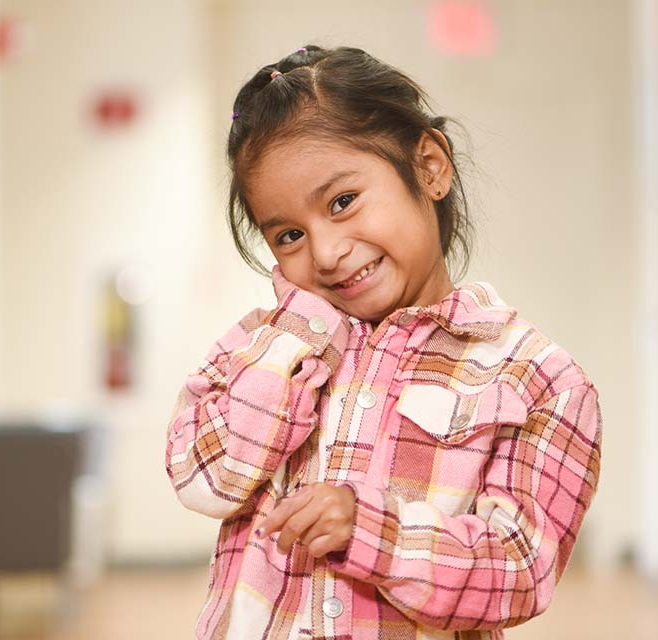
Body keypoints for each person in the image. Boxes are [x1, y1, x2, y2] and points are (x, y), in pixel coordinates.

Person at [165, 45, 602, 640]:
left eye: (343, 202)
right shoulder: (261, 348)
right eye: (289, 235)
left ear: (429, 167)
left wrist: (369, 529)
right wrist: (299, 332)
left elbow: (518, 571)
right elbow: (206, 480)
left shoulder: (538, 379)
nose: (325, 252)